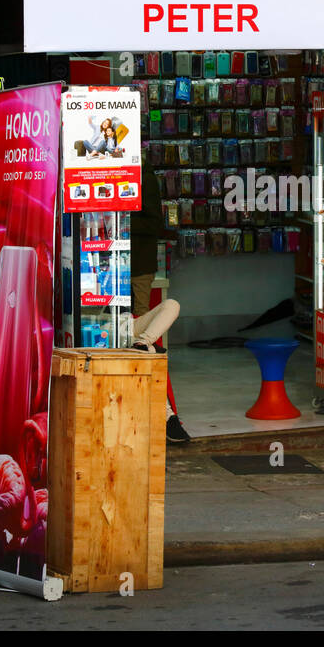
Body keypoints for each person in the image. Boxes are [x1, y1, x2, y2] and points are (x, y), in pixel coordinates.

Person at [128, 160, 188, 442]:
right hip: (105, 324)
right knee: (148, 352)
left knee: (168, 309)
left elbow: (152, 222)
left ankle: (142, 344)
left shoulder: (145, 178)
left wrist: (120, 219)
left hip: (137, 262)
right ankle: (167, 418)